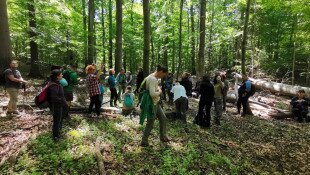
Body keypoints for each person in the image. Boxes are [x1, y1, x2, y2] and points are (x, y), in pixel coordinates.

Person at [140, 65, 169, 147]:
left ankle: (163, 137)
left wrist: (158, 88)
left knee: (163, 119)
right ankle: (144, 141)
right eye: (164, 75)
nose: (163, 76)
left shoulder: (152, 76)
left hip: (156, 102)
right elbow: (152, 94)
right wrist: (159, 92)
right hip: (152, 103)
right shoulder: (152, 79)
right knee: (150, 122)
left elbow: (154, 88)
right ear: (160, 72)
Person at [47, 69, 68, 141]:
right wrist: (62, 101)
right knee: (56, 121)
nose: (62, 75)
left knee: (59, 119)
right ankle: (56, 137)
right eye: (61, 74)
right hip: (56, 106)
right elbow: (54, 98)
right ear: (57, 76)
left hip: (59, 106)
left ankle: (58, 132)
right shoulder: (53, 85)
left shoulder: (55, 83)